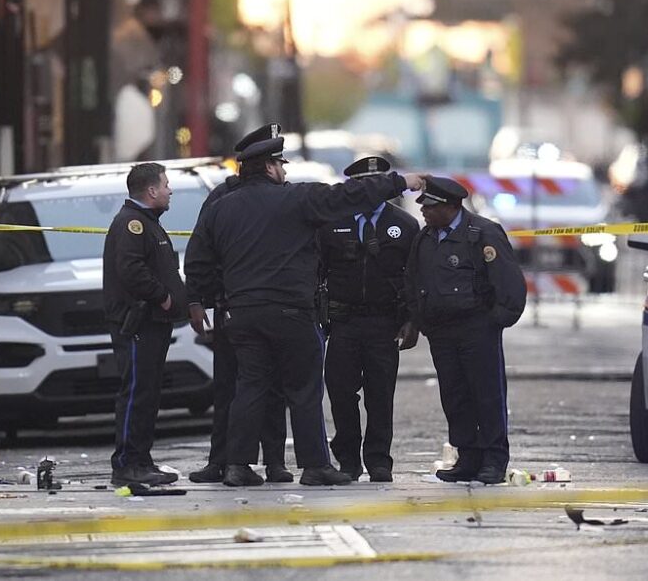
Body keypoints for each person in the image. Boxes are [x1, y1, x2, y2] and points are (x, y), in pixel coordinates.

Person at [185, 130, 425, 487]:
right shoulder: (296, 199)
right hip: (291, 312)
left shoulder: (221, 207)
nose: (284, 170)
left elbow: (199, 258)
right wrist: (400, 182)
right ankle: (315, 465)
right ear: (268, 167)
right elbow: (350, 194)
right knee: (303, 389)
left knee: (250, 387)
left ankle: (237, 465)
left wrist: (198, 300)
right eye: (280, 164)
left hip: (244, 313)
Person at [404, 176, 526, 485]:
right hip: (442, 332)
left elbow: (509, 283)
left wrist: (494, 321)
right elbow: (414, 281)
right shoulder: (426, 238)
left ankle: (494, 459)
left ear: (452, 206)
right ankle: (468, 456)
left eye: (430, 207)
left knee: (486, 394)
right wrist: (419, 321)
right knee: (455, 396)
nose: (424, 212)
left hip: (476, 329)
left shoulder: (482, 233)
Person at [187, 125, 291, 484]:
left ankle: (274, 461)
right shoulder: (222, 197)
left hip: (262, 305)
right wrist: (198, 300)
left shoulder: (283, 196)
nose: (281, 170)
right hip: (230, 304)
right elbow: (201, 253)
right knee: (228, 387)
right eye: (276, 162)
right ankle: (222, 460)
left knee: (272, 387)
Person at [318, 156, 420, 483]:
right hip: (343, 322)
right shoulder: (332, 222)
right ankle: (347, 459)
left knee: (380, 395)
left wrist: (412, 321)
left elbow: (413, 278)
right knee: (341, 393)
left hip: (383, 322)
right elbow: (316, 271)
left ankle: (379, 460)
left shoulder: (404, 225)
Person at [103, 163, 188, 486]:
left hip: (153, 323)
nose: (169, 191)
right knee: (137, 392)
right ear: (151, 190)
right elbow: (132, 270)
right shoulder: (133, 224)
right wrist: (163, 296)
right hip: (140, 322)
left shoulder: (146, 222)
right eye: (166, 185)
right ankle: (126, 464)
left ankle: (141, 459)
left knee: (148, 393)